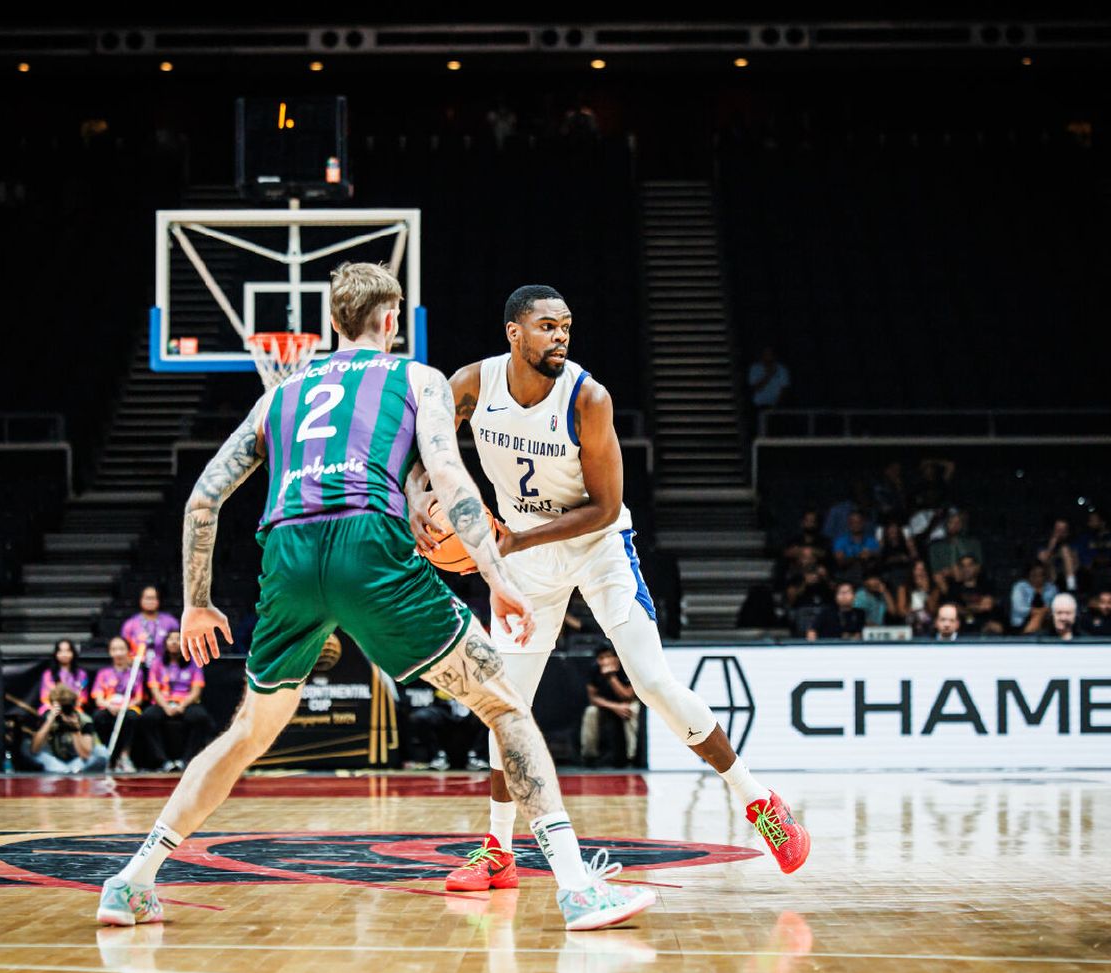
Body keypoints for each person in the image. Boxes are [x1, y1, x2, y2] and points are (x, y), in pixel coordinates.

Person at [97, 263, 654, 933]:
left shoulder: (282, 393)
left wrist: (197, 602)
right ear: (391, 321)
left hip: (288, 552)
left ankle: (133, 880)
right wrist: (497, 576)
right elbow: (449, 480)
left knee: (248, 732)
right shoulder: (417, 378)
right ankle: (577, 889)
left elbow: (204, 498)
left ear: (332, 324)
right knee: (506, 706)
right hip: (369, 546)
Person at [420, 283, 808, 895]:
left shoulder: (588, 397)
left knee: (652, 683)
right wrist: (424, 499)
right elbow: (427, 442)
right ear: (514, 333)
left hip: (596, 548)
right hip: (524, 557)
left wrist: (511, 543)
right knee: (504, 705)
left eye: (566, 327)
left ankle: (761, 803)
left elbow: (604, 508)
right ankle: (497, 850)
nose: (561, 337)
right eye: (547, 326)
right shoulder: (473, 383)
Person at [143, 630, 213, 771]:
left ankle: (186, 760)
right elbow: (154, 689)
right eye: (171, 639)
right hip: (163, 703)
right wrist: (166, 707)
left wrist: (182, 705)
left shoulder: (194, 662)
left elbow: (196, 690)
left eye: (178, 639)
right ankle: (163, 761)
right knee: (147, 717)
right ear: (165, 643)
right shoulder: (157, 663)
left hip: (186, 703)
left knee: (201, 717)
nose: (174, 642)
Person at [91, 635, 146, 773]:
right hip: (109, 707)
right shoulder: (103, 673)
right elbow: (98, 698)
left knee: (132, 717)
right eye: (114, 649)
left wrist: (124, 706)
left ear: (128, 651)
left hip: (128, 707)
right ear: (110, 652)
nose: (118, 653)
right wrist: (109, 705)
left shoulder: (136, 673)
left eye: (122, 649)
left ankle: (124, 756)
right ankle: (109, 757)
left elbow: (138, 699)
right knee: (99, 717)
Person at [27, 684, 108, 774]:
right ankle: (67, 771)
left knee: (101, 752)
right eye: (61, 706)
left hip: (78, 760)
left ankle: (69, 771)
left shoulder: (83, 720)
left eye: (66, 706)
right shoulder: (48, 717)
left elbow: (85, 756)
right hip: (55, 760)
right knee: (28, 748)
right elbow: (34, 749)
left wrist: (75, 730)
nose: (64, 710)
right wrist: (50, 721)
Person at [580, 645, 640, 768]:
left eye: (608, 657)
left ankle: (632, 756)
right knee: (590, 712)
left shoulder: (627, 667)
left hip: (628, 702)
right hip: (607, 704)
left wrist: (611, 677)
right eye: (601, 658)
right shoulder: (594, 669)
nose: (605, 661)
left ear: (616, 658)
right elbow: (593, 698)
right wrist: (614, 707)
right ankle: (589, 755)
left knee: (633, 710)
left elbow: (628, 696)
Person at [122, 586, 179, 669]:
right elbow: (124, 648)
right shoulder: (130, 623)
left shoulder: (170, 622)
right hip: (138, 666)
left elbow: (180, 644)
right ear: (140, 600)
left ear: (158, 601)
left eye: (153, 598)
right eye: (147, 598)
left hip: (165, 667)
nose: (150, 601)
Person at [38, 639, 90, 714]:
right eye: (61, 651)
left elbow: (82, 698)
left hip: (74, 710)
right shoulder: (48, 674)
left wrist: (71, 707)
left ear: (73, 653)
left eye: (68, 651)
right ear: (56, 654)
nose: (64, 654)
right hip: (52, 709)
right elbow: (45, 697)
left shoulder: (81, 674)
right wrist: (57, 708)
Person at [1010, 562, 1059, 631]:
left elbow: (1055, 607)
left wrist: (1045, 612)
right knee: (1039, 616)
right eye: (1035, 575)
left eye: (1041, 575)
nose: (1038, 578)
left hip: (1048, 621)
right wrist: (1041, 611)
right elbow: (1019, 609)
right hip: (1021, 623)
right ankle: (1027, 637)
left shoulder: (1051, 588)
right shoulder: (1020, 587)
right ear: (1029, 575)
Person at [746, 346, 791, 411]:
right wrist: (769, 375)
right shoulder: (755, 368)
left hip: (777, 406)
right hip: (759, 405)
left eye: (770, 354)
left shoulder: (782, 369)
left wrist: (777, 405)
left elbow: (785, 389)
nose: (768, 356)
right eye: (766, 354)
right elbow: (756, 388)